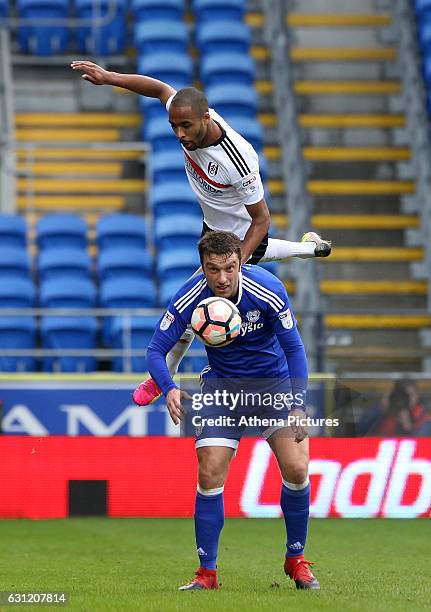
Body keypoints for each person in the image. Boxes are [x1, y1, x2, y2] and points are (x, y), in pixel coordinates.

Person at [70, 61, 331, 404]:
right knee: (206, 302)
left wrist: (237, 261)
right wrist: (110, 78)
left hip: (238, 232)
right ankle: (312, 248)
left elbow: (262, 220)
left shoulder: (238, 159)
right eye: (174, 125)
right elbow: (161, 89)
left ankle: (159, 379)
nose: (179, 134)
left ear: (206, 118)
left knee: (196, 310)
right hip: (211, 224)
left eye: (186, 126)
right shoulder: (185, 116)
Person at [144, 230, 320, 591]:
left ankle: (296, 560)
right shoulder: (190, 297)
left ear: (240, 261)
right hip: (223, 391)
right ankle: (207, 573)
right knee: (209, 473)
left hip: (275, 387)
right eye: (212, 269)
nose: (222, 278)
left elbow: (295, 350)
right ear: (203, 267)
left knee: (297, 468)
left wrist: (298, 404)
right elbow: (154, 351)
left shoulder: (268, 290)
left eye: (229, 268)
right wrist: (169, 387)